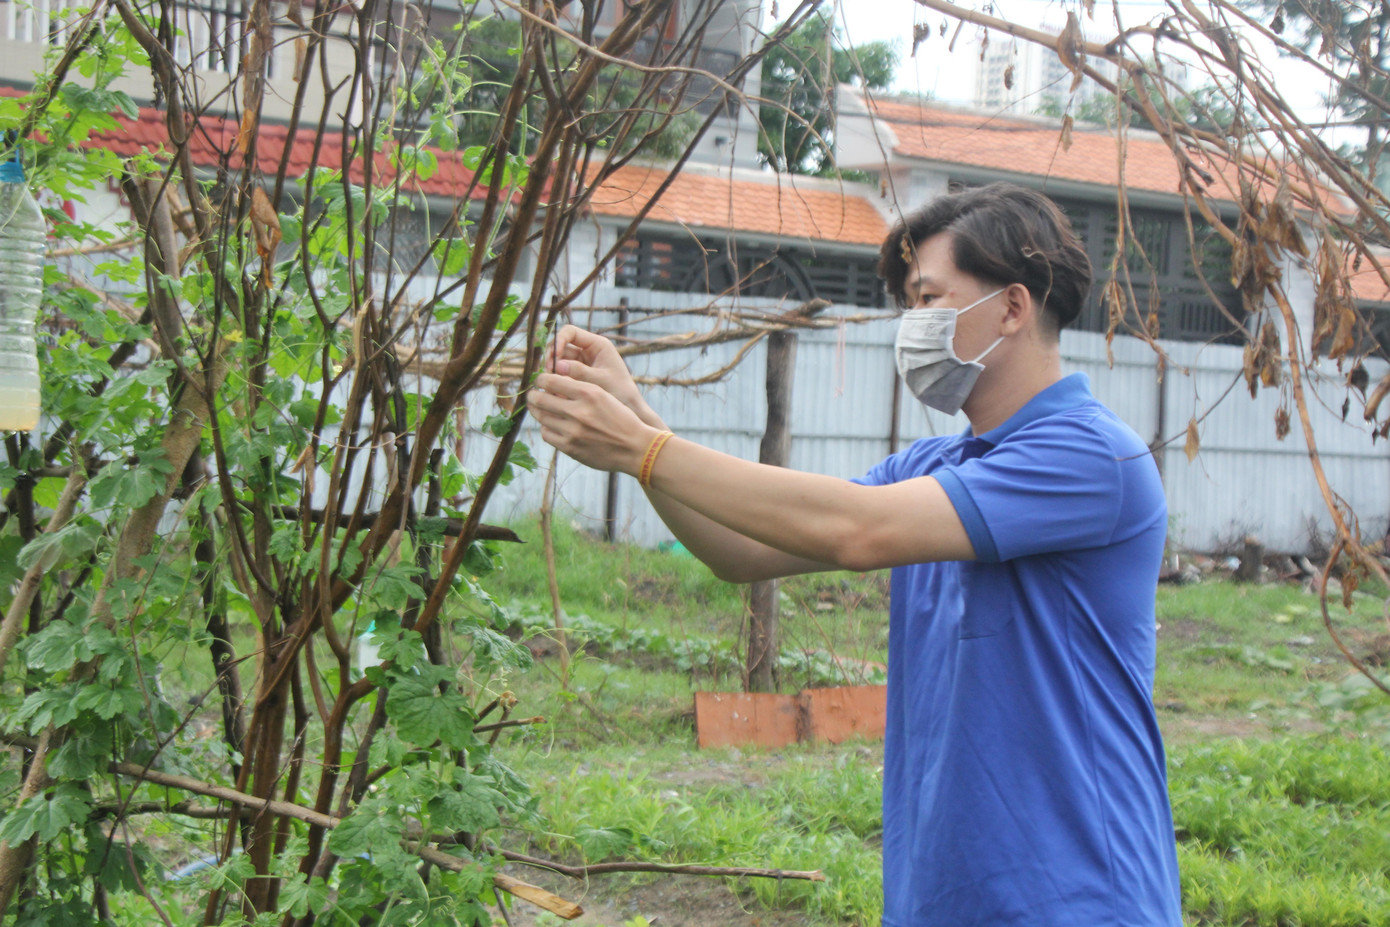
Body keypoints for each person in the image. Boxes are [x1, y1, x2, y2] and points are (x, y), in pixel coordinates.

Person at [528, 182, 1182, 927]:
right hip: (948, 893)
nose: (914, 323)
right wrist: (636, 420)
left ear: (1012, 307)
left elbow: (855, 530)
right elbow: (743, 549)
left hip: (1078, 897)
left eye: (932, 298)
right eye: (909, 302)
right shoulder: (938, 466)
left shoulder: (1091, 456)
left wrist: (646, 448)